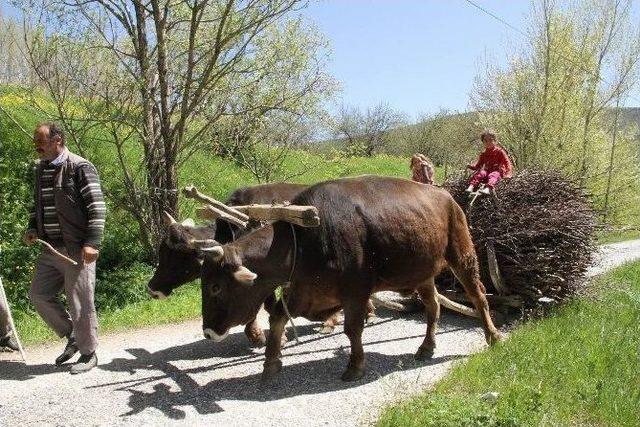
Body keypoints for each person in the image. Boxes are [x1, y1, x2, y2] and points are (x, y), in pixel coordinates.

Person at [23, 122, 106, 374]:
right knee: (39, 295)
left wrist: (92, 243)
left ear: (57, 140)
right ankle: (72, 334)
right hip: (49, 248)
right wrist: (32, 228)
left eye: (41, 141)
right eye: (36, 141)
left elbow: (97, 207)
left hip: (76, 249)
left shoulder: (80, 167)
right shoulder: (41, 168)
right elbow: (39, 205)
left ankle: (88, 353)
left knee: (80, 302)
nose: (37, 145)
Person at [466, 129, 513, 195]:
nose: (488, 142)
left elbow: (507, 163)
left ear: (495, 141)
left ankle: (487, 189)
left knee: (493, 174)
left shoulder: (500, 152)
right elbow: (478, 165)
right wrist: (471, 166)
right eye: (485, 140)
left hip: (498, 172)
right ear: (483, 142)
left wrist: (508, 174)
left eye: (491, 140)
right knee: (481, 173)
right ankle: (471, 186)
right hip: (487, 171)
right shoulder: (484, 153)